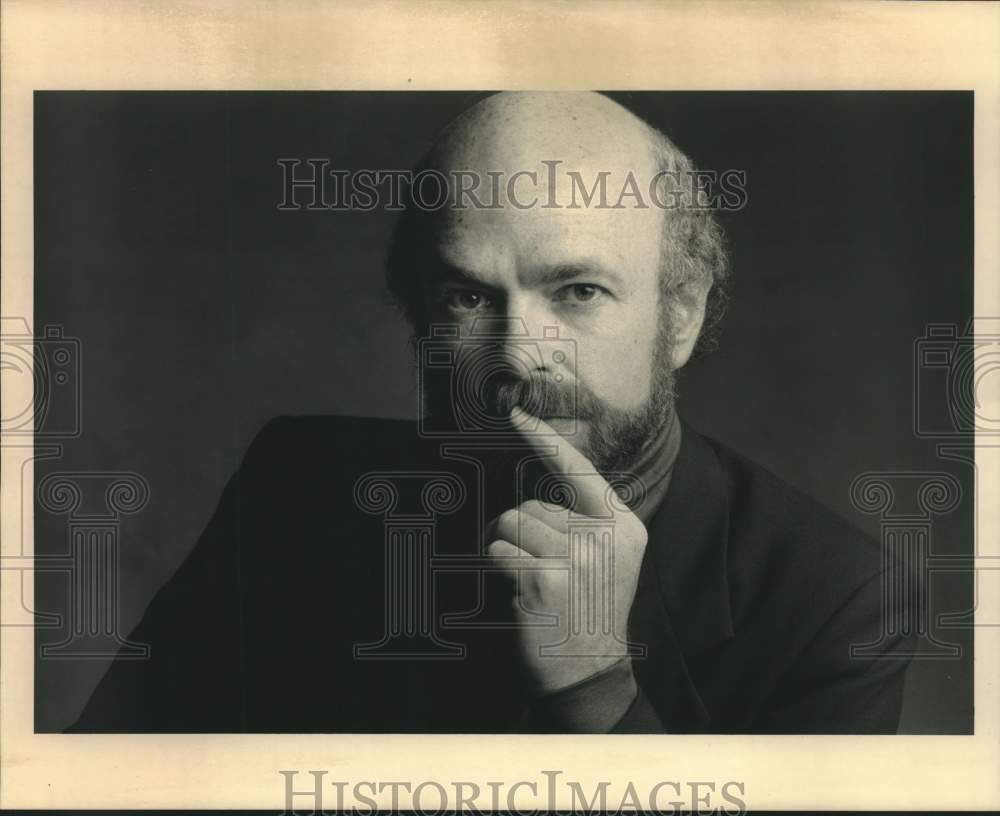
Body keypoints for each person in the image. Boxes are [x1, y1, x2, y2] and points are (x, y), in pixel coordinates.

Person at [69, 92, 913, 734]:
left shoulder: (837, 599)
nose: (516, 353)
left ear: (680, 314)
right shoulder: (296, 485)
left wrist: (595, 684)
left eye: (578, 291)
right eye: (470, 295)